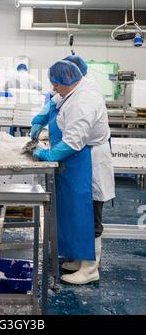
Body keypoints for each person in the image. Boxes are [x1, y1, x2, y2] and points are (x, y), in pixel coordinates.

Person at [31, 60, 115, 285]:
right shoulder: (72, 90)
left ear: (68, 81)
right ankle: (81, 259)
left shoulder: (84, 101)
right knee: (77, 213)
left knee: (91, 215)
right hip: (78, 161)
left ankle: (90, 269)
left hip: (89, 162)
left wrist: (46, 154)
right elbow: (55, 103)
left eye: (56, 84)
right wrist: (39, 120)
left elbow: (73, 142)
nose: (53, 89)